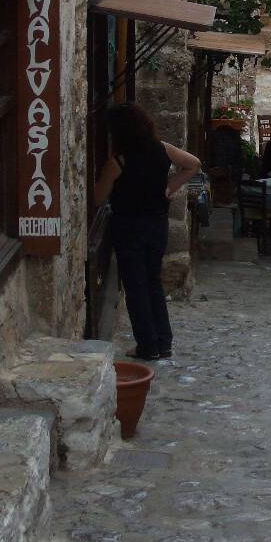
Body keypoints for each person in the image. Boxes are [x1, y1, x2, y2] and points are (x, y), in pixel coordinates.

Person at [94, 103, 200, 361]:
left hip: (129, 227)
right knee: (153, 282)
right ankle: (163, 341)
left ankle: (147, 346)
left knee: (135, 286)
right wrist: (169, 188)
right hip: (157, 225)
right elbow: (193, 164)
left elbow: (98, 198)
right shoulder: (162, 149)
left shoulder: (118, 162)